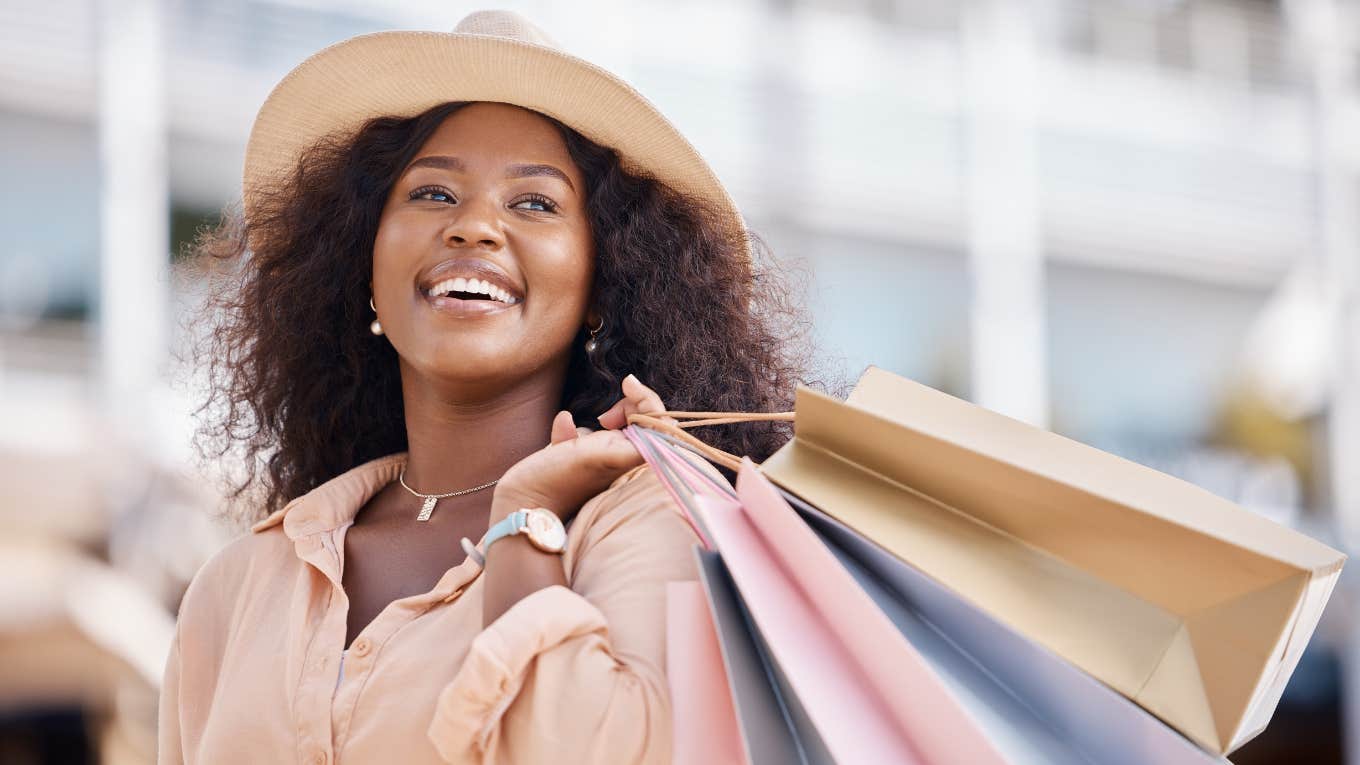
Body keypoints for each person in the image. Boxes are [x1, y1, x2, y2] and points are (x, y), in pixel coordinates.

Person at [158, 9, 815, 765]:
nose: (474, 226)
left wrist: (527, 522)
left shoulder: (649, 524)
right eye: (432, 194)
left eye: (534, 203)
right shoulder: (238, 586)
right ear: (362, 264)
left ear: (605, 282)